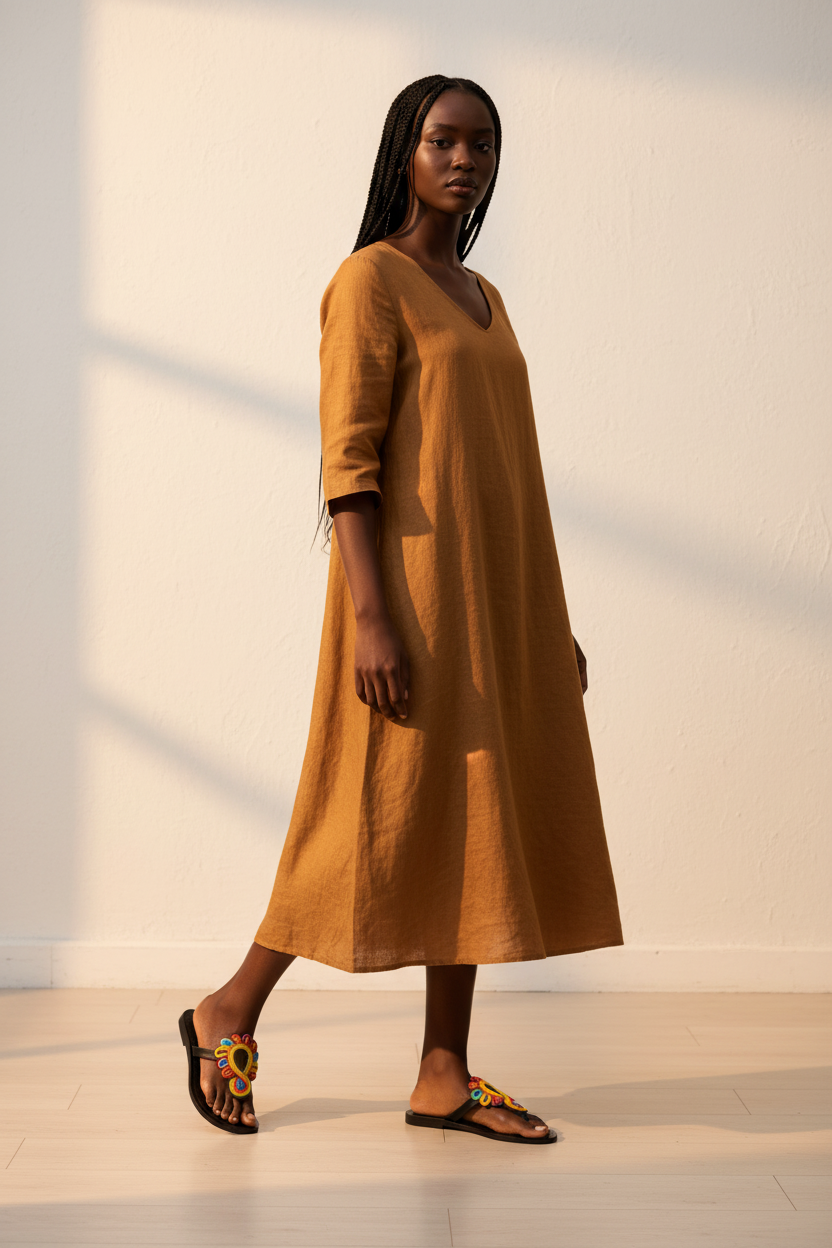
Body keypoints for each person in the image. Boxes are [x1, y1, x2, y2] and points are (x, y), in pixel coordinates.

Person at [179, 74, 623, 1145]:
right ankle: (226, 1009)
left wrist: (542, 619)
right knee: (359, 814)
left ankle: (442, 1073)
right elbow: (349, 460)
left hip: (493, 606)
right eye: (442, 140)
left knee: (467, 823)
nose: (463, 158)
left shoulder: (483, 296)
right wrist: (372, 615)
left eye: (480, 143)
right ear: (404, 154)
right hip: (409, 604)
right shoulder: (368, 283)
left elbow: (508, 472)